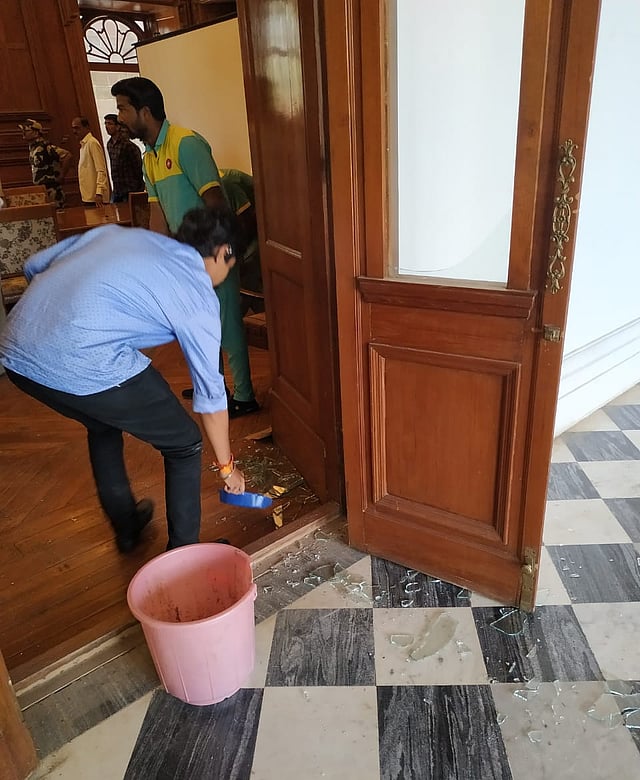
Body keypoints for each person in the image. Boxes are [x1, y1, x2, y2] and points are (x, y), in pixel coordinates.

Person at [0, 207, 246, 553]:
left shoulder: (118, 234)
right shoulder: (197, 295)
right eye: (230, 266)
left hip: (16, 350)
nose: (225, 275)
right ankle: (184, 558)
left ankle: (128, 526)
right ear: (223, 252)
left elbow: (34, 265)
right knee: (184, 443)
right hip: (80, 359)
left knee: (102, 422)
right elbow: (211, 395)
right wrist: (227, 468)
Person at [111, 76, 259, 418]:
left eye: (123, 108)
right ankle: (213, 385)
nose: (119, 117)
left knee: (227, 326)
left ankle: (245, 396)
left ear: (144, 111)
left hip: (212, 253)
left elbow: (215, 201)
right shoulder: (150, 157)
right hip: (185, 259)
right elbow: (159, 215)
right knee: (197, 326)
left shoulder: (185, 144)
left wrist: (217, 253)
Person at [18, 119, 73, 208]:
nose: (23, 133)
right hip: (41, 189)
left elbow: (67, 155)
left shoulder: (45, 147)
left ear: (36, 133)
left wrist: (62, 175)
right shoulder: (33, 148)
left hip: (52, 189)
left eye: (27, 130)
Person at [103, 114, 144, 203]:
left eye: (110, 124)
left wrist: (139, 187)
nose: (107, 126)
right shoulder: (109, 144)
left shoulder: (127, 145)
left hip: (130, 188)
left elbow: (138, 168)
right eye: (105, 123)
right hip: (117, 189)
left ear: (118, 127)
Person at [71, 117, 110, 206]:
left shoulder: (92, 143)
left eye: (77, 128)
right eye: (73, 128)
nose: (74, 131)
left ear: (87, 127)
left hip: (96, 198)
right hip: (88, 197)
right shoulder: (84, 145)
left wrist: (99, 192)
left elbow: (101, 170)